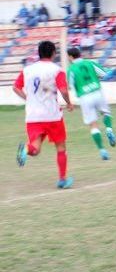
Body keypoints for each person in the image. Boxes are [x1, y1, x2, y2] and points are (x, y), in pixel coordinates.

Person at [13, 41, 76, 189]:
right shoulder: (57, 70)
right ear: (53, 53)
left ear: (39, 53)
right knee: (61, 147)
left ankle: (26, 150)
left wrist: (28, 99)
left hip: (33, 116)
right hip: (52, 115)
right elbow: (63, 90)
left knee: (35, 148)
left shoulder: (27, 70)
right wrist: (69, 103)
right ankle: (62, 180)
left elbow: (16, 87)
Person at [67, 47, 116, 160]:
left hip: (84, 97)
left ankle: (102, 150)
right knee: (106, 113)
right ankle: (109, 129)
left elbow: (70, 85)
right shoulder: (90, 63)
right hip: (97, 91)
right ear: (80, 54)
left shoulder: (71, 69)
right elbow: (104, 74)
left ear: (70, 57)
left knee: (93, 125)